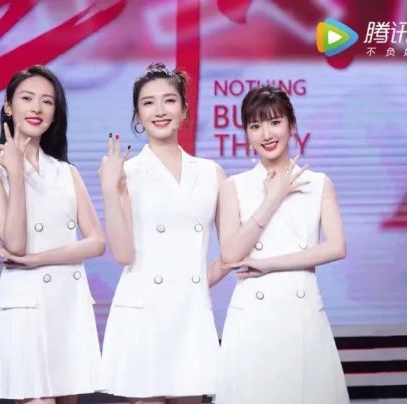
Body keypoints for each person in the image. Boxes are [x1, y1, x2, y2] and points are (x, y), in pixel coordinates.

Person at [0, 65, 105, 404]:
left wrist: (38, 259)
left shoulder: (66, 172)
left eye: (47, 101)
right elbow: (15, 243)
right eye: (27, 98)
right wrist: (16, 172)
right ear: (8, 106)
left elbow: (96, 242)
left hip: (68, 301)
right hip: (25, 304)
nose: (36, 108)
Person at [213, 85, 350, 403]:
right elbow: (230, 254)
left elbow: (336, 247)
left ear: (291, 125)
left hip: (301, 314)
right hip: (252, 319)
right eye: (255, 126)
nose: (266, 134)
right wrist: (273, 198)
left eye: (275, 122)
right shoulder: (234, 187)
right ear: (246, 134)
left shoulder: (318, 184)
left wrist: (269, 264)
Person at [99, 63, 226, 404]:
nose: (159, 110)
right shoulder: (125, 172)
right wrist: (109, 189)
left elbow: (231, 252)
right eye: (148, 102)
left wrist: (194, 283)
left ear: (184, 110)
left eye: (169, 100)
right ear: (137, 116)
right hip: (144, 311)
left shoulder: (211, 173)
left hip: (190, 311)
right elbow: (123, 254)